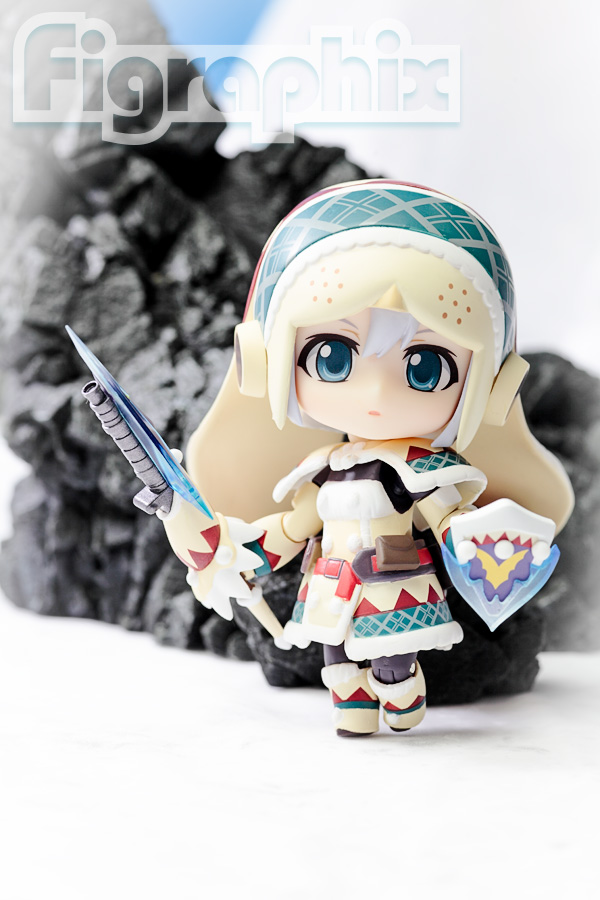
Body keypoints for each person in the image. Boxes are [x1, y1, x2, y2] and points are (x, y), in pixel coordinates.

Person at [160, 180, 573, 737]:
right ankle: (354, 713)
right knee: (339, 665)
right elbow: (293, 528)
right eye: (331, 356)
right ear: (263, 360)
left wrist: (490, 547)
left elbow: (450, 524)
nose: (376, 394)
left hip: (395, 586)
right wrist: (236, 552)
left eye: (426, 367)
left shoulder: (425, 470)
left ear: (492, 389)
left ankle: (402, 699)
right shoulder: (323, 470)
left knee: (394, 666)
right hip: (331, 586)